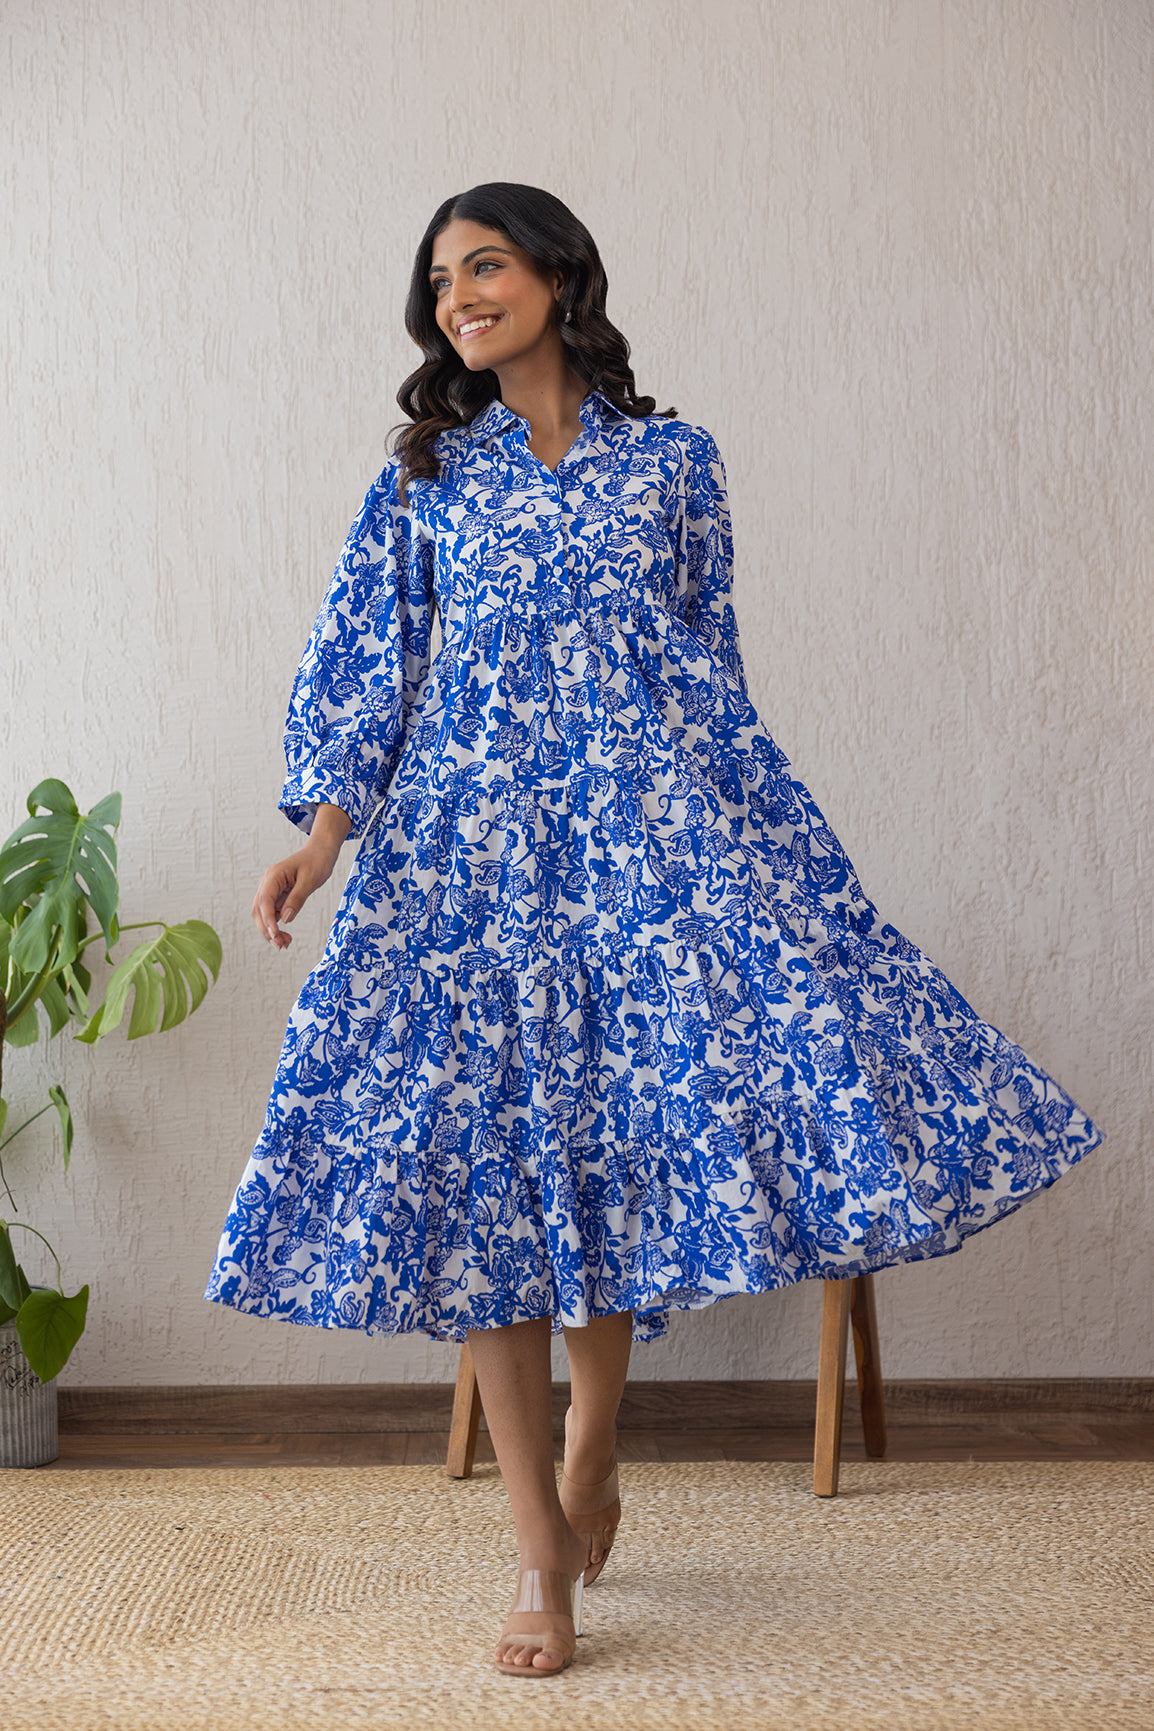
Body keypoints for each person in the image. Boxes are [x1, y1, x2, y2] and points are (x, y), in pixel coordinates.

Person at [204, 182, 1103, 1677]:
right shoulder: (427, 480)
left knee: (610, 1155)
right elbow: (371, 666)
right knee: (489, 1176)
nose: (455, 296)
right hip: (463, 872)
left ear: (558, 276)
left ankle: (593, 1447)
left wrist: (762, 850)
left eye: (482, 266)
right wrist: (320, 838)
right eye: (438, 280)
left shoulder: (674, 465)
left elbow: (707, 673)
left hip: (641, 855)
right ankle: (539, 1556)